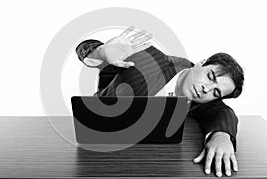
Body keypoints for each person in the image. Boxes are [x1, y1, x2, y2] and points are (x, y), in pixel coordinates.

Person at [75, 27, 244, 178]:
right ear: (201, 63)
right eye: (210, 77)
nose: (206, 89)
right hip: (100, 134)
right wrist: (100, 52)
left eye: (216, 92)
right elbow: (84, 48)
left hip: (148, 160)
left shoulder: (201, 99)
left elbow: (222, 112)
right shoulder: (147, 58)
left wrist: (221, 136)